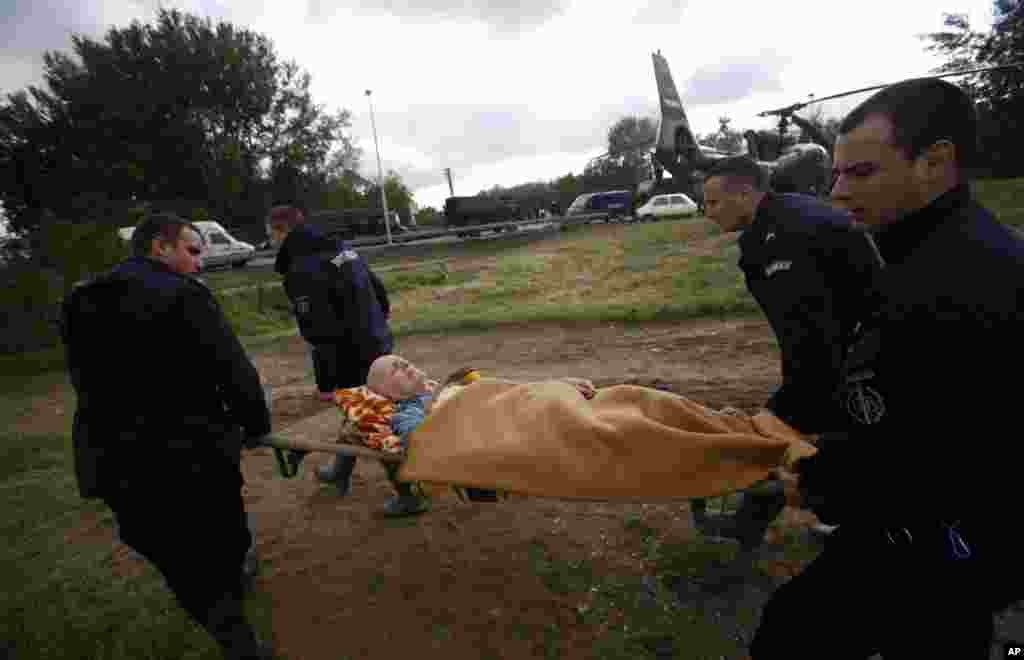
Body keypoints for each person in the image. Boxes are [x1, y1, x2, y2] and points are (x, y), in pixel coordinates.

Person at [750, 78, 1024, 659]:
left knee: (790, 638)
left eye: (861, 172)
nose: (838, 191)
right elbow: (908, 397)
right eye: (836, 174)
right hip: (937, 531)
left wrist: (820, 478)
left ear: (936, 162)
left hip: (943, 539)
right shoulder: (922, 252)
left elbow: (949, 450)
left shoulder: (967, 276)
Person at [60, 213, 276, 659]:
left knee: (173, 554)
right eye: (192, 251)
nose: (199, 262)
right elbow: (233, 369)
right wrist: (255, 425)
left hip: (113, 457)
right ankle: (234, 614)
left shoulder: (80, 299)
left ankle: (229, 627)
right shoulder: (184, 294)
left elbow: (84, 379)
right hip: (188, 450)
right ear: (160, 247)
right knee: (221, 535)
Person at [693, 155, 883, 553]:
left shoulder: (793, 233)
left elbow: (818, 328)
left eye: (713, 202)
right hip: (838, 358)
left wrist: (802, 391)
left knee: (786, 434)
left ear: (744, 194)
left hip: (865, 360)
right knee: (803, 437)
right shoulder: (768, 230)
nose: (707, 212)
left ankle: (838, 521)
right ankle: (755, 523)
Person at [265, 205, 395, 498]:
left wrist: (325, 382)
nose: (271, 241)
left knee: (368, 418)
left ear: (282, 231)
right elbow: (378, 291)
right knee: (359, 413)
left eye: (271, 234)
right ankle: (340, 472)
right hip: (376, 342)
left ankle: (408, 493)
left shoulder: (302, 268)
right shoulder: (341, 248)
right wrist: (377, 329)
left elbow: (319, 332)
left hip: (349, 354)